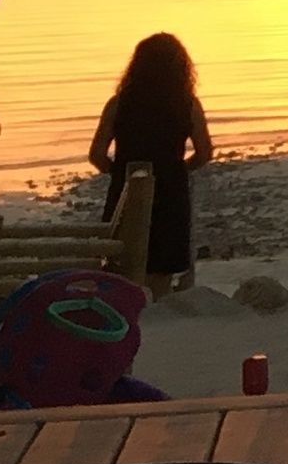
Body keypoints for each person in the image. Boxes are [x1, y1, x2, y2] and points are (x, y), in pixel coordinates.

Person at [88, 32, 214, 288]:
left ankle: (127, 304)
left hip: (128, 186)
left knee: (122, 256)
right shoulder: (187, 104)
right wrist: (180, 170)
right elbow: (204, 152)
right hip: (170, 188)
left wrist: (118, 173)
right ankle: (158, 305)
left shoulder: (119, 103)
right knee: (163, 263)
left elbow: (97, 154)